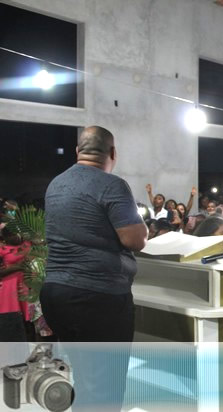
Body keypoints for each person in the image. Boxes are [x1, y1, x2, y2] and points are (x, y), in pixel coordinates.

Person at [41, 126, 147, 410]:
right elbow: (135, 239)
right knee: (107, 389)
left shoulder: (55, 184)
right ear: (112, 153)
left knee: (87, 380)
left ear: (78, 152)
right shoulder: (112, 185)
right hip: (98, 298)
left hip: (56, 294)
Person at [0, 227, 31, 342]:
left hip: (27, 283)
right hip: (10, 286)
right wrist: (18, 267)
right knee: (15, 319)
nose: (17, 236)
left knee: (30, 320)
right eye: (13, 234)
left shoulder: (26, 245)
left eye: (18, 233)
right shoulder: (2, 250)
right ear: (5, 238)